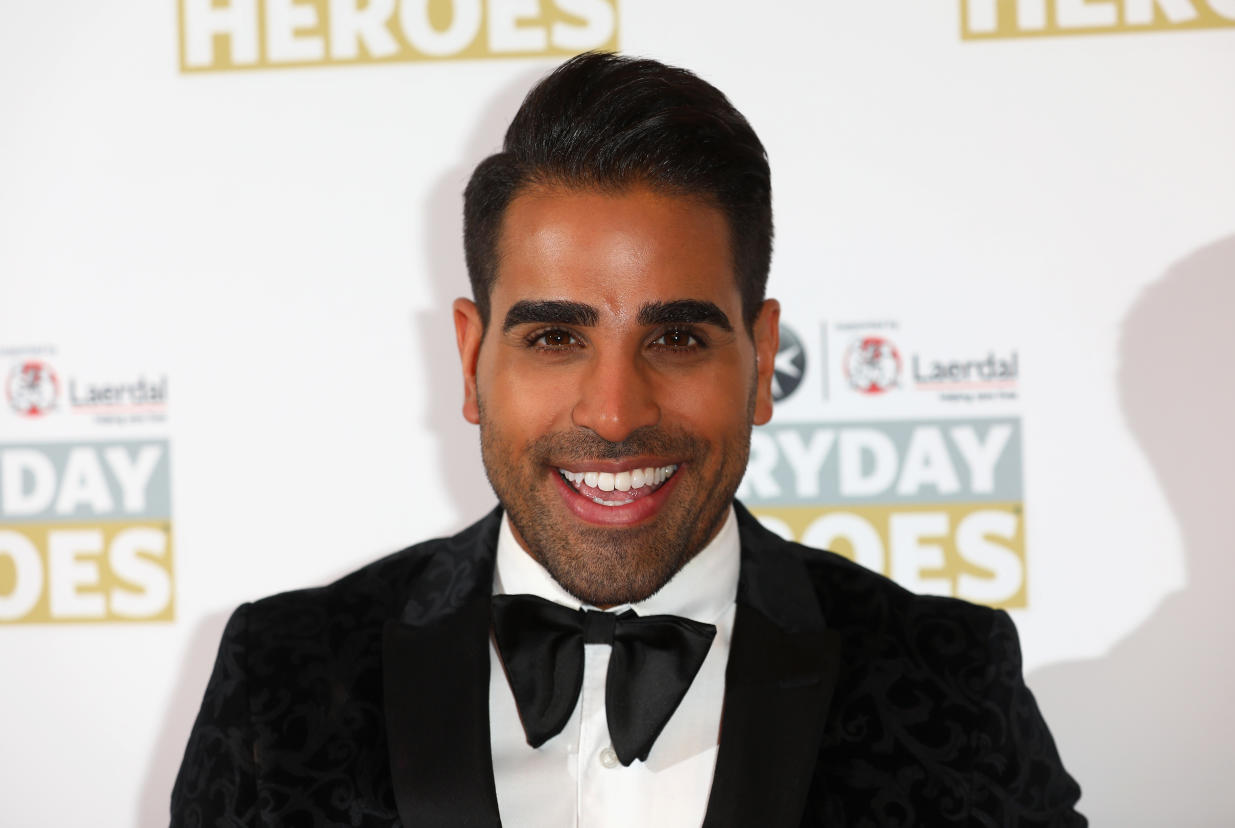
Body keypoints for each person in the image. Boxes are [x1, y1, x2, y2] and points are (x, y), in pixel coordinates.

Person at [172, 52, 1084, 827]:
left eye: (678, 338)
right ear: (471, 358)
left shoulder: (951, 683)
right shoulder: (281, 677)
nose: (613, 413)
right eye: (556, 338)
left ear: (762, 361)